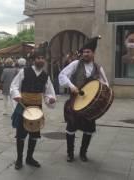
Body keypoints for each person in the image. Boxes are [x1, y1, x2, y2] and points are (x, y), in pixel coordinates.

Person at [59, 36, 109, 163]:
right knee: (71, 128)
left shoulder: (98, 68)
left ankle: (83, 153)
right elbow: (62, 75)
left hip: (90, 105)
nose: (85, 54)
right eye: (84, 52)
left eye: (88, 52)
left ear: (93, 53)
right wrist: (71, 86)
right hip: (75, 102)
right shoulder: (76, 64)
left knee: (89, 130)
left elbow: (105, 85)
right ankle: (70, 153)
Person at [10, 42, 56, 170]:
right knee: (20, 134)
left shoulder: (46, 76)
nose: (40, 60)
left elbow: (48, 93)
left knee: (34, 134)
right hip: (23, 106)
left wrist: (50, 100)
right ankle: (19, 159)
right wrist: (17, 94)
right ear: (33, 60)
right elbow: (14, 85)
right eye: (38, 58)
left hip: (37, 108)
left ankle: (29, 158)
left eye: (42, 58)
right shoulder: (24, 72)